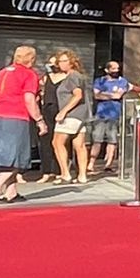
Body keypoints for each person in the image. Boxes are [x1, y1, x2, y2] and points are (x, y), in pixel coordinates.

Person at [0, 45, 47, 203]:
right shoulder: (29, 74)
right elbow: (29, 99)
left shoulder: (3, 72)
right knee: (17, 156)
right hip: (15, 117)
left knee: (4, 155)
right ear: (31, 59)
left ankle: (11, 192)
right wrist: (39, 120)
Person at [46, 50, 91, 183]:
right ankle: (82, 176)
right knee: (79, 144)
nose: (61, 64)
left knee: (57, 142)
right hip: (81, 115)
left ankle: (65, 173)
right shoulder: (79, 76)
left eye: (63, 61)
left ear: (72, 62)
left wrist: (63, 111)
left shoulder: (72, 76)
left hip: (71, 115)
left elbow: (77, 95)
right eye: (60, 61)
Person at [89, 58, 131, 176]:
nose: (116, 70)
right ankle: (91, 163)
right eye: (113, 68)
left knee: (112, 140)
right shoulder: (100, 81)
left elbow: (118, 96)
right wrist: (110, 95)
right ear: (107, 70)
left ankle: (109, 164)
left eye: (118, 68)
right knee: (97, 139)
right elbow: (96, 96)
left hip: (115, 114)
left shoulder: (122, 81)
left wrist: (105, 94)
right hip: (101, 114)